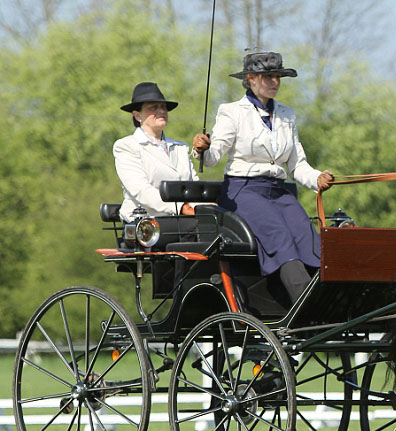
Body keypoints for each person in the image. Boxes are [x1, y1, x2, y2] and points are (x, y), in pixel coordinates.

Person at [192, 51, 334, 304]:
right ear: (251, 78)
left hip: (279, 191)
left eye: (278, 76)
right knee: (280, 237)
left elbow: (297, 164)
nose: (275, 82)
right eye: (268, 76)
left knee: (309, 238)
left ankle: (327, 302)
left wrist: (317, 179)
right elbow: (213, 156)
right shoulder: (232, 112)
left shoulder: (287, 115)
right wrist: (202, 148)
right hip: (243, 191)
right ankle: (305, 306)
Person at [114, 82, 198, 222]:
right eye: (153, 108)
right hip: (146, 223)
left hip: (185, 220)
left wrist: (206, 206)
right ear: (137, 115)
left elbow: (193, 186)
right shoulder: (126, 146)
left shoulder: (180, 148)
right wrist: (180, 207)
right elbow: (141, 191)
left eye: (163, 107)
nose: (161, 111)